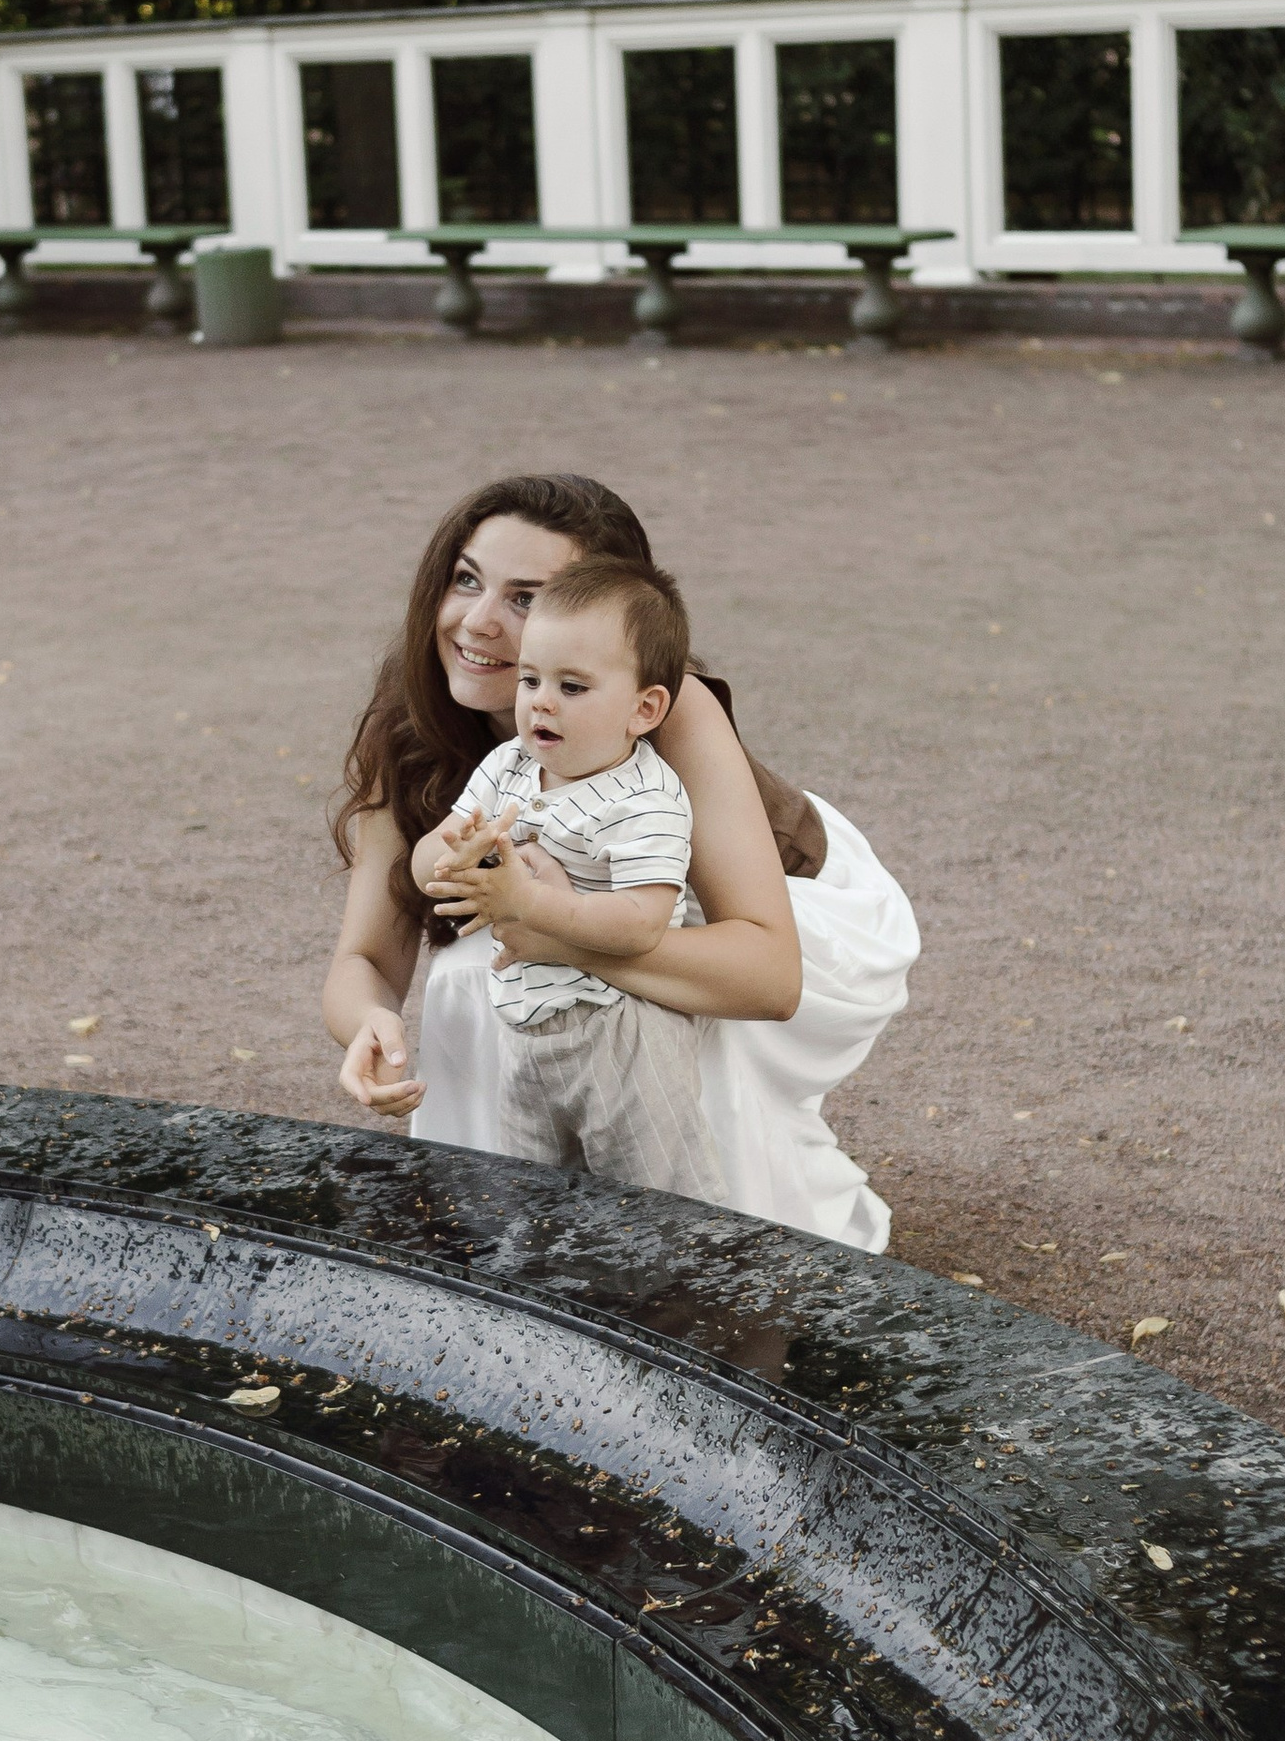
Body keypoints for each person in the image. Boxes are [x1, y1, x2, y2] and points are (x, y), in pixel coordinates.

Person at [325, 473, 917, 1248]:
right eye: (467, 579)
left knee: (540, 981)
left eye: (526, 597)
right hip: (568, 901)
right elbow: (363, 956)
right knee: (487, 975)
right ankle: (510, 1231)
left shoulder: (669, 710)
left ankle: (725, 1249)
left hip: (787, 907)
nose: (478, 621)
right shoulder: (411, 723)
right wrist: (371, 1024)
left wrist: (552, 929)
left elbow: (770, 975)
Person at [415, 553, 722, 1204]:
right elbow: (455, 840)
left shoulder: (643, 799)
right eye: (530, 680)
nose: (540, 703)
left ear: (644, 708)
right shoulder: (509, 764)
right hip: (526, 1026)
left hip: (621, 1032)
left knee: (656, 1204)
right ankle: (541, 1293)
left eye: (572, 687)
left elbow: (642, 923)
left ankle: (673, 1302)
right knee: (534, 1205)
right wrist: (471, 854)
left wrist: (528, 901)